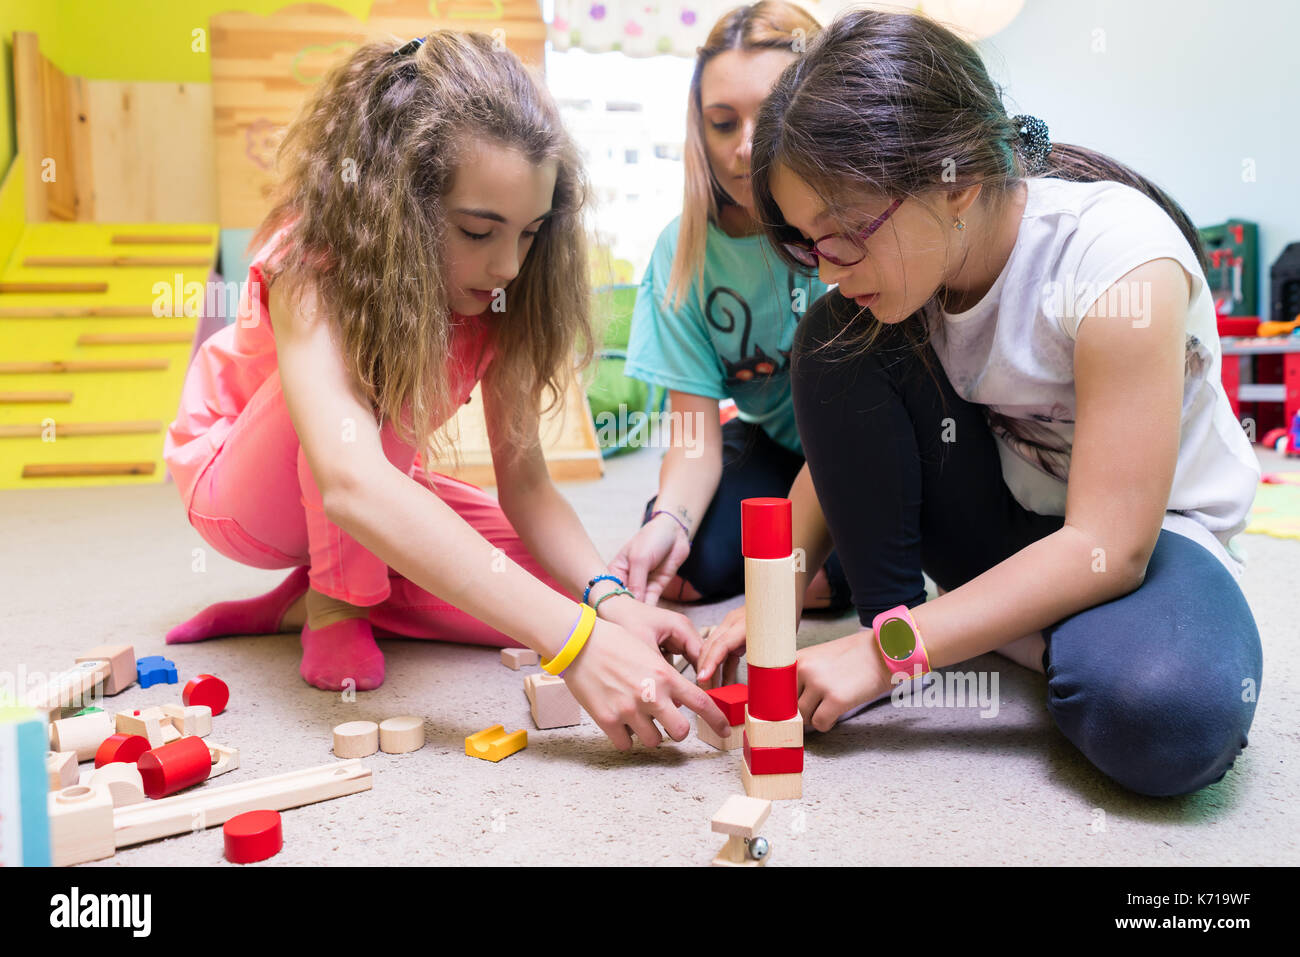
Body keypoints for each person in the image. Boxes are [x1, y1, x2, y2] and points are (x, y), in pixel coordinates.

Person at [700, 8, 1262, 796]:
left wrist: (886, 650)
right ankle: (947, 628)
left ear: (954, 178)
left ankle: (951, 634)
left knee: (1163, 716)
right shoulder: (902, 277)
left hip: (1147, 540)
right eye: (807, 242)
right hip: (996, 525)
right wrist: (777, 590)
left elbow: (1111, 544)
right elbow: (844, 444)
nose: (827, 267)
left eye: (846, 232)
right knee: (834, 334)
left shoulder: (1117, 259)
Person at [162, 32, 728, 750]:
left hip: (363, 477)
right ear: (397, 201)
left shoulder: (504, 293)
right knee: (386, 402)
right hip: (236, 488)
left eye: (529, 233)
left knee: (536, 591)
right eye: (479, 230)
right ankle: (335, 605)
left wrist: (604, 603)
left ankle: (304, 601)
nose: (509, 265)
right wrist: (576, 645)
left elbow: (526, 485)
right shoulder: (316, 258)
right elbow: (351, 480)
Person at [610, 1, 852, 630]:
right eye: (723, 123)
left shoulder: (860, 229)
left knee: (847, 564)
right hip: (775, 443)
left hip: (871, 449)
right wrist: (671, 519)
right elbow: (693, 439)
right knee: (680, 567)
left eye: (771, 117)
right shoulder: (682, 252)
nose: (746, 148)